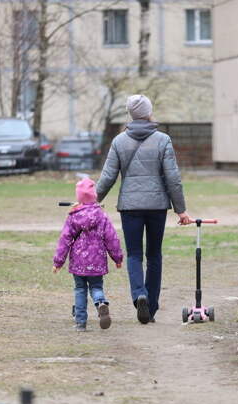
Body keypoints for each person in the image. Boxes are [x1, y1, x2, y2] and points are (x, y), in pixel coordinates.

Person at [96, 94, 191, 324]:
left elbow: (108, 176)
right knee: (154, 255)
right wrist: (181, 210)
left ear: (130, 114)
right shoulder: (163, 140)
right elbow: (173, 178)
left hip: (130, 207)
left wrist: (92, 200)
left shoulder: (119, 141)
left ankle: (140, 294)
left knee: (135, 255)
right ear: (149, 112)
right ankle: (153, 307)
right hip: (157, 207)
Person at [53, 177, 123, 332]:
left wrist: (58, 261)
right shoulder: (102, 216)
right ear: (95, 196)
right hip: (97, 261)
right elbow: (112, 238)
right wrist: (117, 257)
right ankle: (100, 303)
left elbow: (65, 239)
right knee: (96, 286)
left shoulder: (73, 216)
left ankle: (80, 322)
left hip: (78, 262)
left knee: (80, 289)